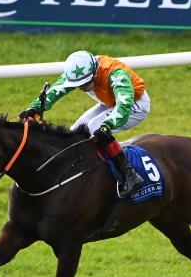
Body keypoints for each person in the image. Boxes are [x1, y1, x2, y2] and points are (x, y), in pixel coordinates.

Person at [20, 50, 148, 197]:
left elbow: (123, 106)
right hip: (110, 102)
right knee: (76, 131)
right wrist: (34, 109)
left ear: (94, 74)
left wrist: (107, 126)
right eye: (77, 85)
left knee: (95, 128)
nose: (80, 88)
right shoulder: (79, 72)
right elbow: (56, 91)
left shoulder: (116, 74)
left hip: (134, 104)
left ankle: (129, 174)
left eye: (83, 84)